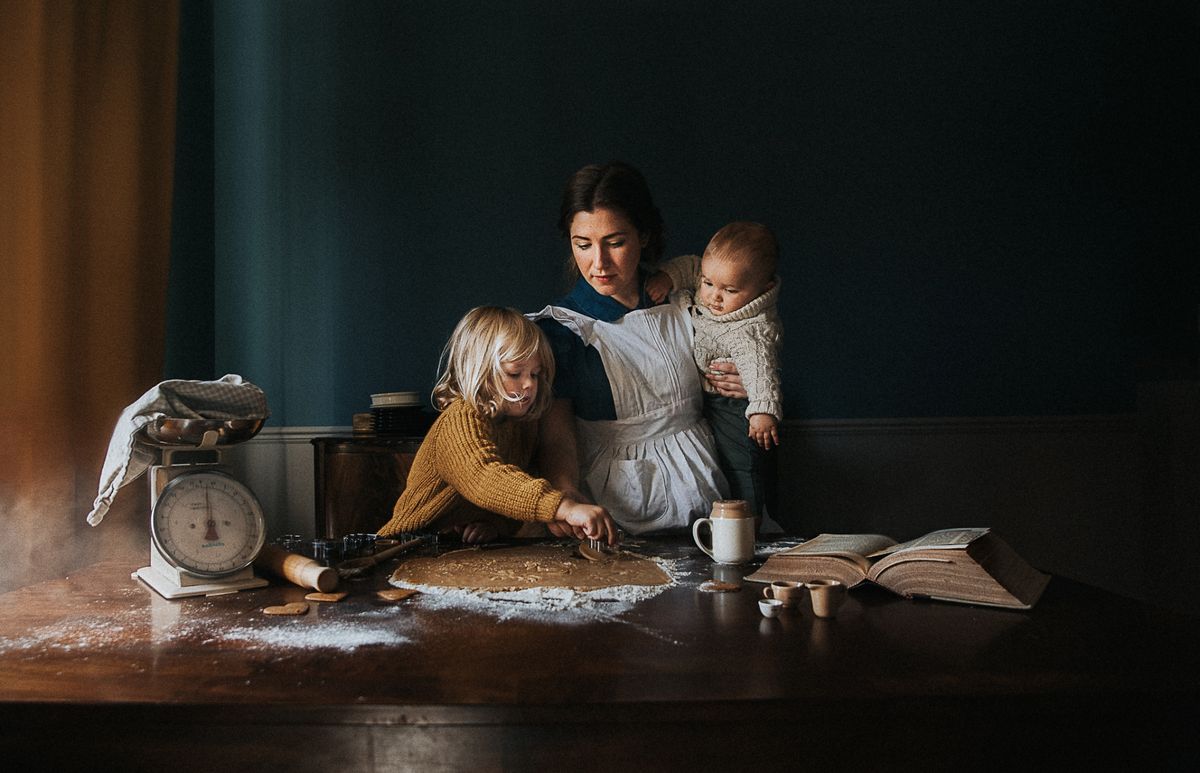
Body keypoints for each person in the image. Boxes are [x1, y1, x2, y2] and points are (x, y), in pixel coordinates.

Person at [531, 161, 746, 535]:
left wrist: (743, 387)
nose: (599, 263)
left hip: (709, 493)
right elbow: (557, 437)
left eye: (615, 242)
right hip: (618, 514)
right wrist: (564, 496)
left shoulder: (688, 300)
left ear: (644, 235)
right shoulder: (562, 330)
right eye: (583, 244)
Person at [376, 306, 618, 546]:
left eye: (535, 374)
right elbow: (485, 477)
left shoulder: (522, 424)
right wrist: (562, 508)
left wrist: (495, 525)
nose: (529, 385)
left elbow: (514, 489)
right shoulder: (460, 419)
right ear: (480, 371)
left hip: (454, 546)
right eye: (515, 374)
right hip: (408, 545)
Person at [645, 221, 782, 519]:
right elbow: (692, 267)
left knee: (741, 465)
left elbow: (761, 370)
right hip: (702, 402)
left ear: (765, 288)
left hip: (734, 407)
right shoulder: (709, 282)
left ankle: (751, 524)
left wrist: (762, 409)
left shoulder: (751, 329)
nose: (713, 296)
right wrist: (667, 278)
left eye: (729, 289)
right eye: (708, 284)